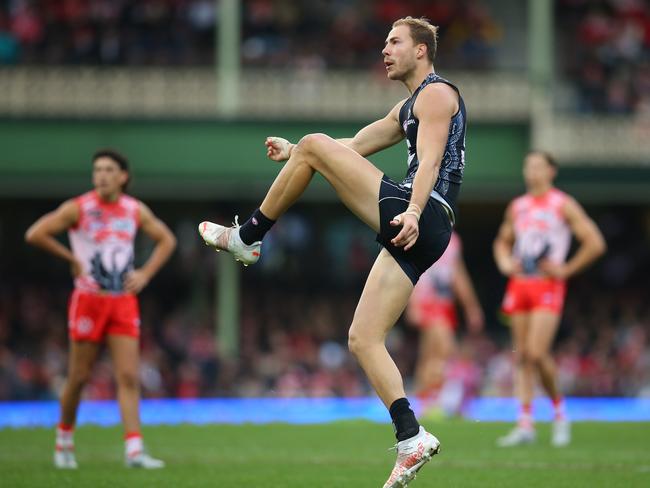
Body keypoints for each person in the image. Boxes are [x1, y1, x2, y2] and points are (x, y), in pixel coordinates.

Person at [199, 17, 465, 487]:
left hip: (421, 212)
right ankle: (411, 437)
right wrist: (297, 152)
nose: (384, 50)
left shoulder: (437, 94)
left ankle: (249, 236)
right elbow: (357, 146)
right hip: (418, 225)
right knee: (363, 338)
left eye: (395, 42)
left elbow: (429, 160)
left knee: (317, 146)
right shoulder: (406, 106)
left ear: (422, 51)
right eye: (384, 42)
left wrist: (415, 210)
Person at [25, 149, 177, 469]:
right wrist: (71, 259)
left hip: (122, 300)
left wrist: (145, 273)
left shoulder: (134, 210)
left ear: (123, 176)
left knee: (128, 375)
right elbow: (35, 234)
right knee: (79, 376)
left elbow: (167, 240)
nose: (102, 175)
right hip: (89, 300)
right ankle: (64, 441)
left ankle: (134, 450)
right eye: (97, 170)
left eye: (109, 170)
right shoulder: (79, 208)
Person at [493, 151, 606, 447]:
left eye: (538, 166)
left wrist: (566, 269)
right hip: (519, 284)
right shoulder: (518, 206)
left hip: (547, 284)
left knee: (536, 352)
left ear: (551, 171)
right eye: (528, 166)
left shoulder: (562, 204)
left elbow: (594, 242)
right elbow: (502, 241)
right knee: (521, 355)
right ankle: (525, 423)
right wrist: (505, 262)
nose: (532, 172)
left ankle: (559, 412)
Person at [406, 231, 484, 414]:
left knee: (430, 355)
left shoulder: (453, 240)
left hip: (445, 304)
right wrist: (413, 303)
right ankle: (432, 403)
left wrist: (471, 307)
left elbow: (457, 274)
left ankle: (424, 404)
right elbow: (410, 267)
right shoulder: (420, 233)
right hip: (428, 300)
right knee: (444, 351)